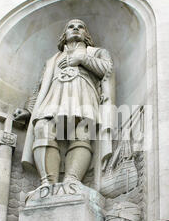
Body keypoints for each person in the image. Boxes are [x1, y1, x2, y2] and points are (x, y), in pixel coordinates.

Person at [14, 19, 115, 189]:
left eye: (81, 26)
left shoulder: (97, 52)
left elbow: (107, 70)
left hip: (84, 94)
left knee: (81, 134)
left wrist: (83, 59)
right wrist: (28, 110)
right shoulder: (52, 60)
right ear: (64, 35)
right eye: (71, 26)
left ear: (86, 34)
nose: (76, 28)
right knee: (42, 129)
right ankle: (47, 183)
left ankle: (72, 181)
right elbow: (39, 88)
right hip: (54, 96)